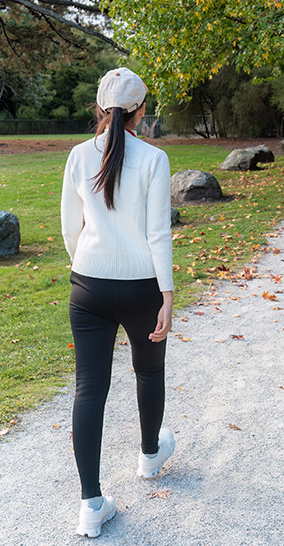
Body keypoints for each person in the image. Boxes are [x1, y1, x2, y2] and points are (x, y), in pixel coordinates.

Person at [60, 68, 175, 538]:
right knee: (148, 371)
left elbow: (70, 227)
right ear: (140, 111)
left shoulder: (77, 155)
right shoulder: (155, 159)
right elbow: (158, 233)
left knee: (89, 390)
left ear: (100, 108)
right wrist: (167, 295)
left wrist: (87, 267)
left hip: (88, 286)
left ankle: (91, 504)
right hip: (141, 286)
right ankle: (150, 457)